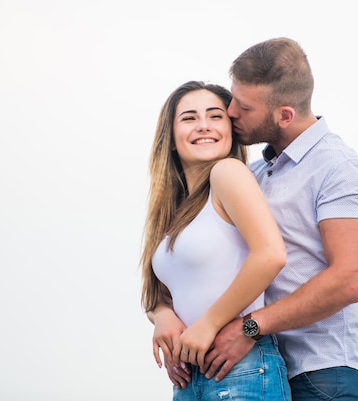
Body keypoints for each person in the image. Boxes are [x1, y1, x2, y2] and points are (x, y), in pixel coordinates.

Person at [156, 38, 358, 401]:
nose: (230, 112)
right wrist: (163, 311)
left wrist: (249, 327)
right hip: (256, 364)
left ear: (285, 115)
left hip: (324, 372)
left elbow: (349, 281)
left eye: (243, 107)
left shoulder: (339, 170)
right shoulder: (256, 173)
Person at [140, 80, 292, 400]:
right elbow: (161, 292)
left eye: (215, 116)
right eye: (189, 118)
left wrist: (209, 324)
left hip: (240, 368)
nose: (204, 126)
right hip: (190, 377)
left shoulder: (228, 172)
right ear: (170, 137)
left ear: (230, 129)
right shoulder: (173, 209)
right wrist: (162, 315)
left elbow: (271, 254)